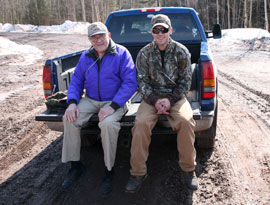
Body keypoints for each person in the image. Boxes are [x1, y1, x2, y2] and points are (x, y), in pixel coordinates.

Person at [61, 22, 137, 196]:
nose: (98, 40)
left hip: (116, 100)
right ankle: (75, 165)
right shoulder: (86, 56)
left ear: (108, 35)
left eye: (101, 36)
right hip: (91, 99)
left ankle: (109, 171)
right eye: (94, 37)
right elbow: (77, 81)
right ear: (90, 40)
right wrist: (72, 102)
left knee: (108, 124)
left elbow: (130, 83)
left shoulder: (122, 53)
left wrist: (113, 106)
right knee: (69, 118)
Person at [125, 14, 198, 193]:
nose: (160, 33)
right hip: (151, 99)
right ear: (151, 32)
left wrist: (170, 99)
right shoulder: (144, 53)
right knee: (140, 125)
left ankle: (189, 171)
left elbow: (185, 81)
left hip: (176, 98)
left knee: (186, 121)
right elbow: (141, 82)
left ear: (170, 30)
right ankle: (138, 173)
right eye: (156, 30)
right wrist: (156, 100)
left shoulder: (182, 51)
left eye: (163, 29)